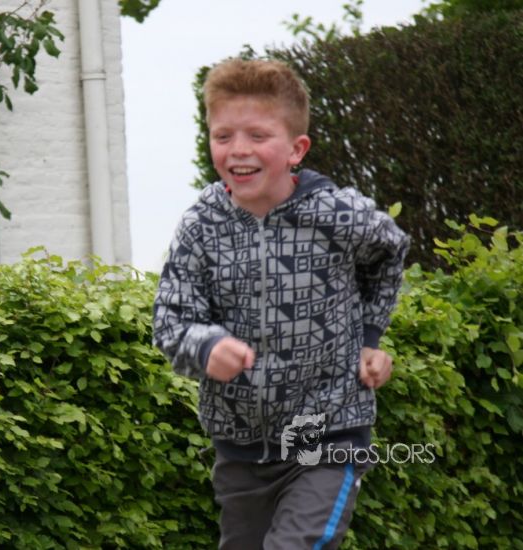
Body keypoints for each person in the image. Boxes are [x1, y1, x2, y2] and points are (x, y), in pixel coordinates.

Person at [152, 58, 410, 550]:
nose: (238, 149)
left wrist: (368, 338)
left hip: (327, 434)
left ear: (297, 149)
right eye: (223, 136)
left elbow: (389, 253)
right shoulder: (201, 226)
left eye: (257, 135)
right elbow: (171, 321)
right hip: (241, 451)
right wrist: (206, 347)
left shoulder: (338, 213)